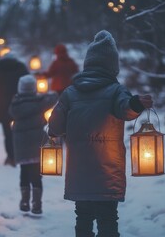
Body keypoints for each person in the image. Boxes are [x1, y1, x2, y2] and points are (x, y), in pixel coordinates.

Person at [48, 30, 153, 237]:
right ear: (113, 66)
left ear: (88, 63)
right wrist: (136, 103)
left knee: (83, 218)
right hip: (107, 173)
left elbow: (55, 128)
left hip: (79, 172)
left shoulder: (70, 93)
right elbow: (126, 109)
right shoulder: (116, 91)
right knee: (108, 220)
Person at [9, 75, 58, 214]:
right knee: (36, 174)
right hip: (36, 142)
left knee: (24, 172)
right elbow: (54, 97)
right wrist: (46, 93)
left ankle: (24, 201)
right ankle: (37, 204)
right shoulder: (39, 102)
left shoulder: (15, 104)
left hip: (21, 144)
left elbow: (9, 112)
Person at [0, 53, 29, 167]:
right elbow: (28, 80)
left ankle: (11, 157)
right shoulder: (21, 67)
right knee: (20, 132)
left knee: (7, 133)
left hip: (2, 105)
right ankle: (19, 155)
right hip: (18, 103)